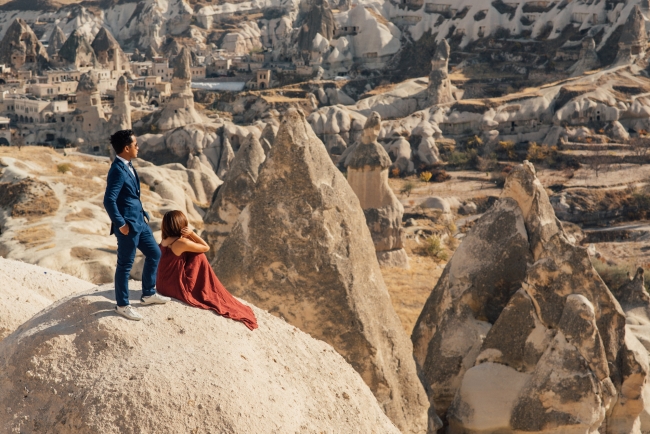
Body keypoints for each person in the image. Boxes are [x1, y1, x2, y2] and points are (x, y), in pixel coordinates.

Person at [103, 129, 170, 321]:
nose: (138, 148)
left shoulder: (128, 165)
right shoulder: (117, 170)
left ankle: (148, 294)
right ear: (126, 148)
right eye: (135, 145)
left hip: (139, 221)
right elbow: (109, 200)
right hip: (128, 226)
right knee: (125, 265)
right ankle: (122, 305)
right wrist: (121, 224)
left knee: (155, 253)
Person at [157, 210, 258, 330]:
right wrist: (191, 234)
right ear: (181, 225)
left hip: (161, 286)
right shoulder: (180, 242)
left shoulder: (164, 240)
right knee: (199, 255)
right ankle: (206, 288)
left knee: (192, 254)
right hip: (174, 288)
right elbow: (205, 247)